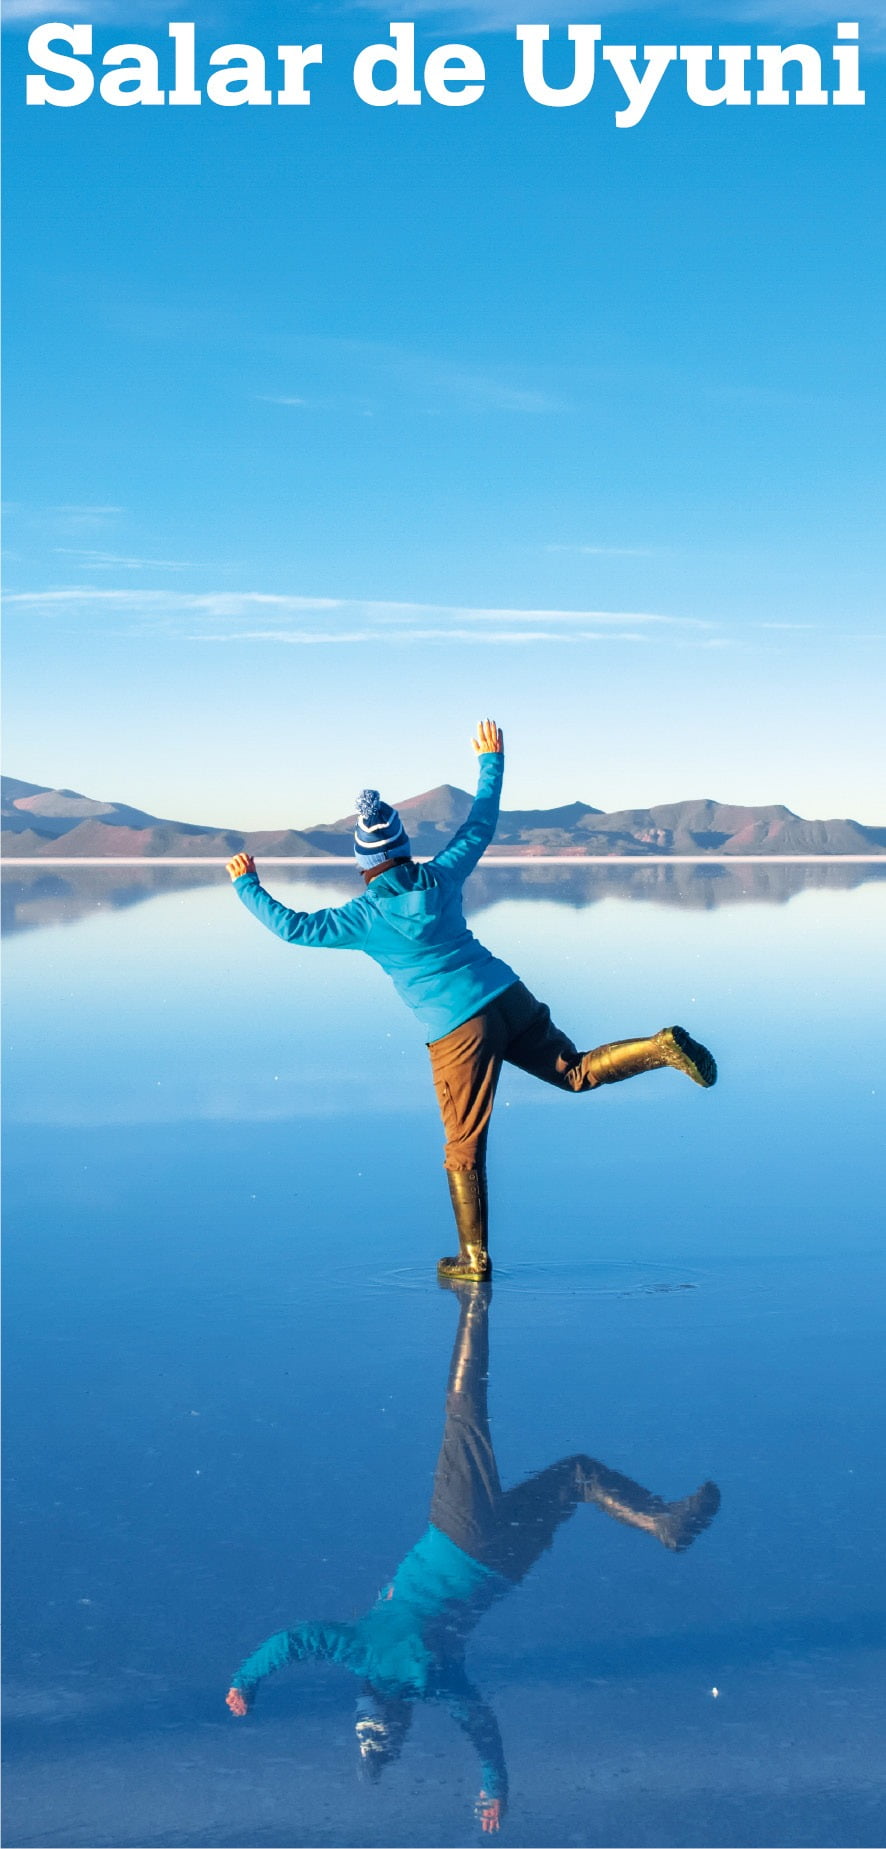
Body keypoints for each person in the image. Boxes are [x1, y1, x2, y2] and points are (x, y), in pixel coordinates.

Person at [226, 720, 717, 1281]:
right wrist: (491, 761)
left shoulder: (362, 917)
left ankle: (473, 1258)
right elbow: (479, 825)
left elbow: (294, 928)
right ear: (404, 848)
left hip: (458, 1031)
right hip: (506, 995)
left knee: (464, 1145)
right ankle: (659, 1046)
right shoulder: (440, 876)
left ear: (364, 862)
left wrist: (247, 885)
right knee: (576, 1072)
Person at [225, 1282, 721, 1833]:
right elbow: (293, 1641)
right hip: (458, 1536)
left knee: (576, 1476)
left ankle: (661, 1523)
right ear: (367, 1701)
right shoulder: (359, 1652)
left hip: (505, 1568)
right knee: (464, 1412)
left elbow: (483, 1730)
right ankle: (473, 1300)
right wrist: (246, 1681)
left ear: (405, 1715)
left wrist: (495, 1788)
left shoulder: (441, 1683)